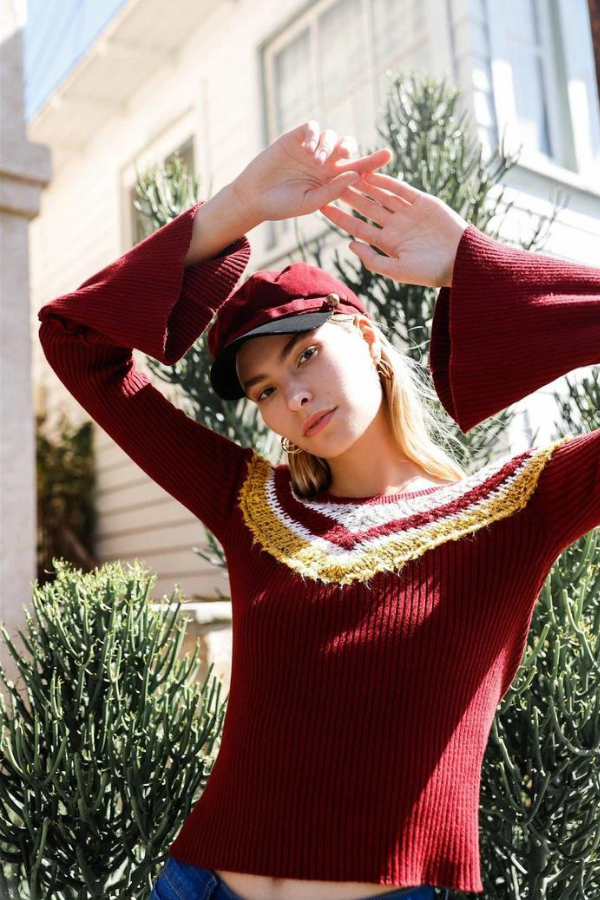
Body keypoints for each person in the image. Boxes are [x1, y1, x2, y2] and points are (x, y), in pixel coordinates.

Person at [37, 121, 599, 900]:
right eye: (265, 389)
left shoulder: (520, 506)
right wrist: (238, 205)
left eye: (305, 354)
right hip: (196, 886)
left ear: (364, 335)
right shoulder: (250, 503)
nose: (294, 397)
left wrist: (474, 264)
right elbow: (74, 340)